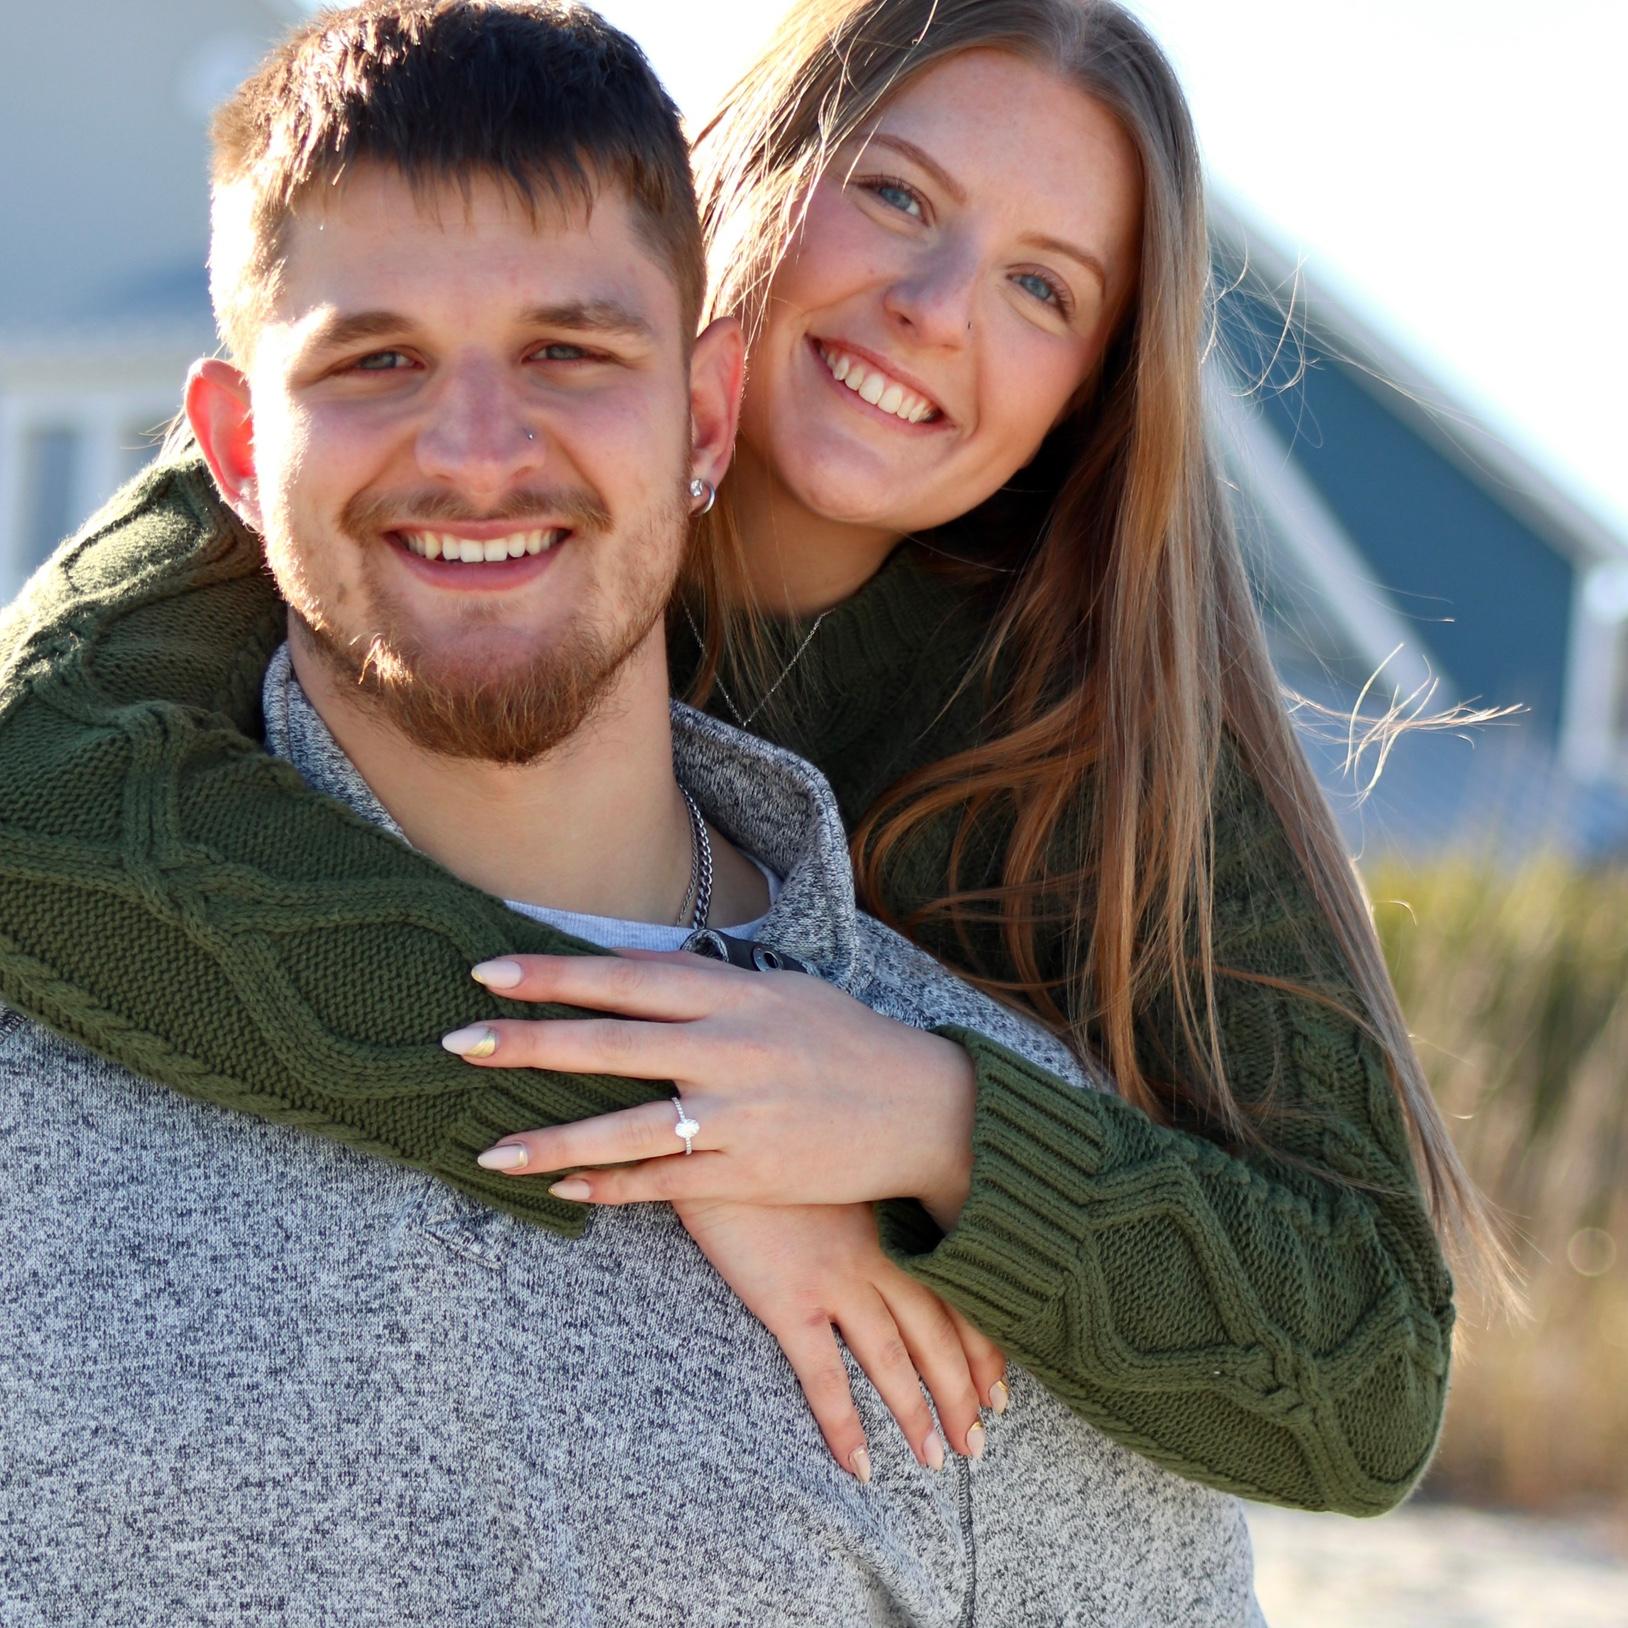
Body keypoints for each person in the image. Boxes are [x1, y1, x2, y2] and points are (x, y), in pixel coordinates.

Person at [0, 0, 1472, 1526]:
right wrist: (682, 1116)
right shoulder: (433, 439)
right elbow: (21, 779)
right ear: (760, 171)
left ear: (1087, 394)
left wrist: (918, 1118)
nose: (938, 306)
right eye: (897, 196)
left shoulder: (1106, 725)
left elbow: (1367, 1374)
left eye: (1044, 288)